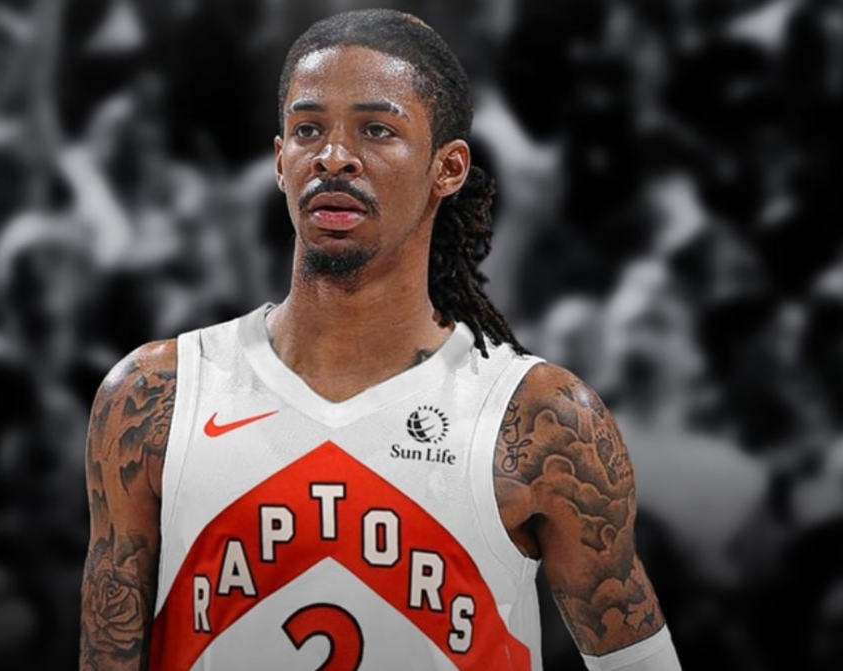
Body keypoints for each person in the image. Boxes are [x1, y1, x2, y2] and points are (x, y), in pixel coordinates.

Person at [79, 9, 682, 671]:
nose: (333, 157)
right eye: (308, 129)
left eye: (376, 129)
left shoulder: (541, 418)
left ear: (448, 168)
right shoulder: (154, 395)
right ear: (280, 161)